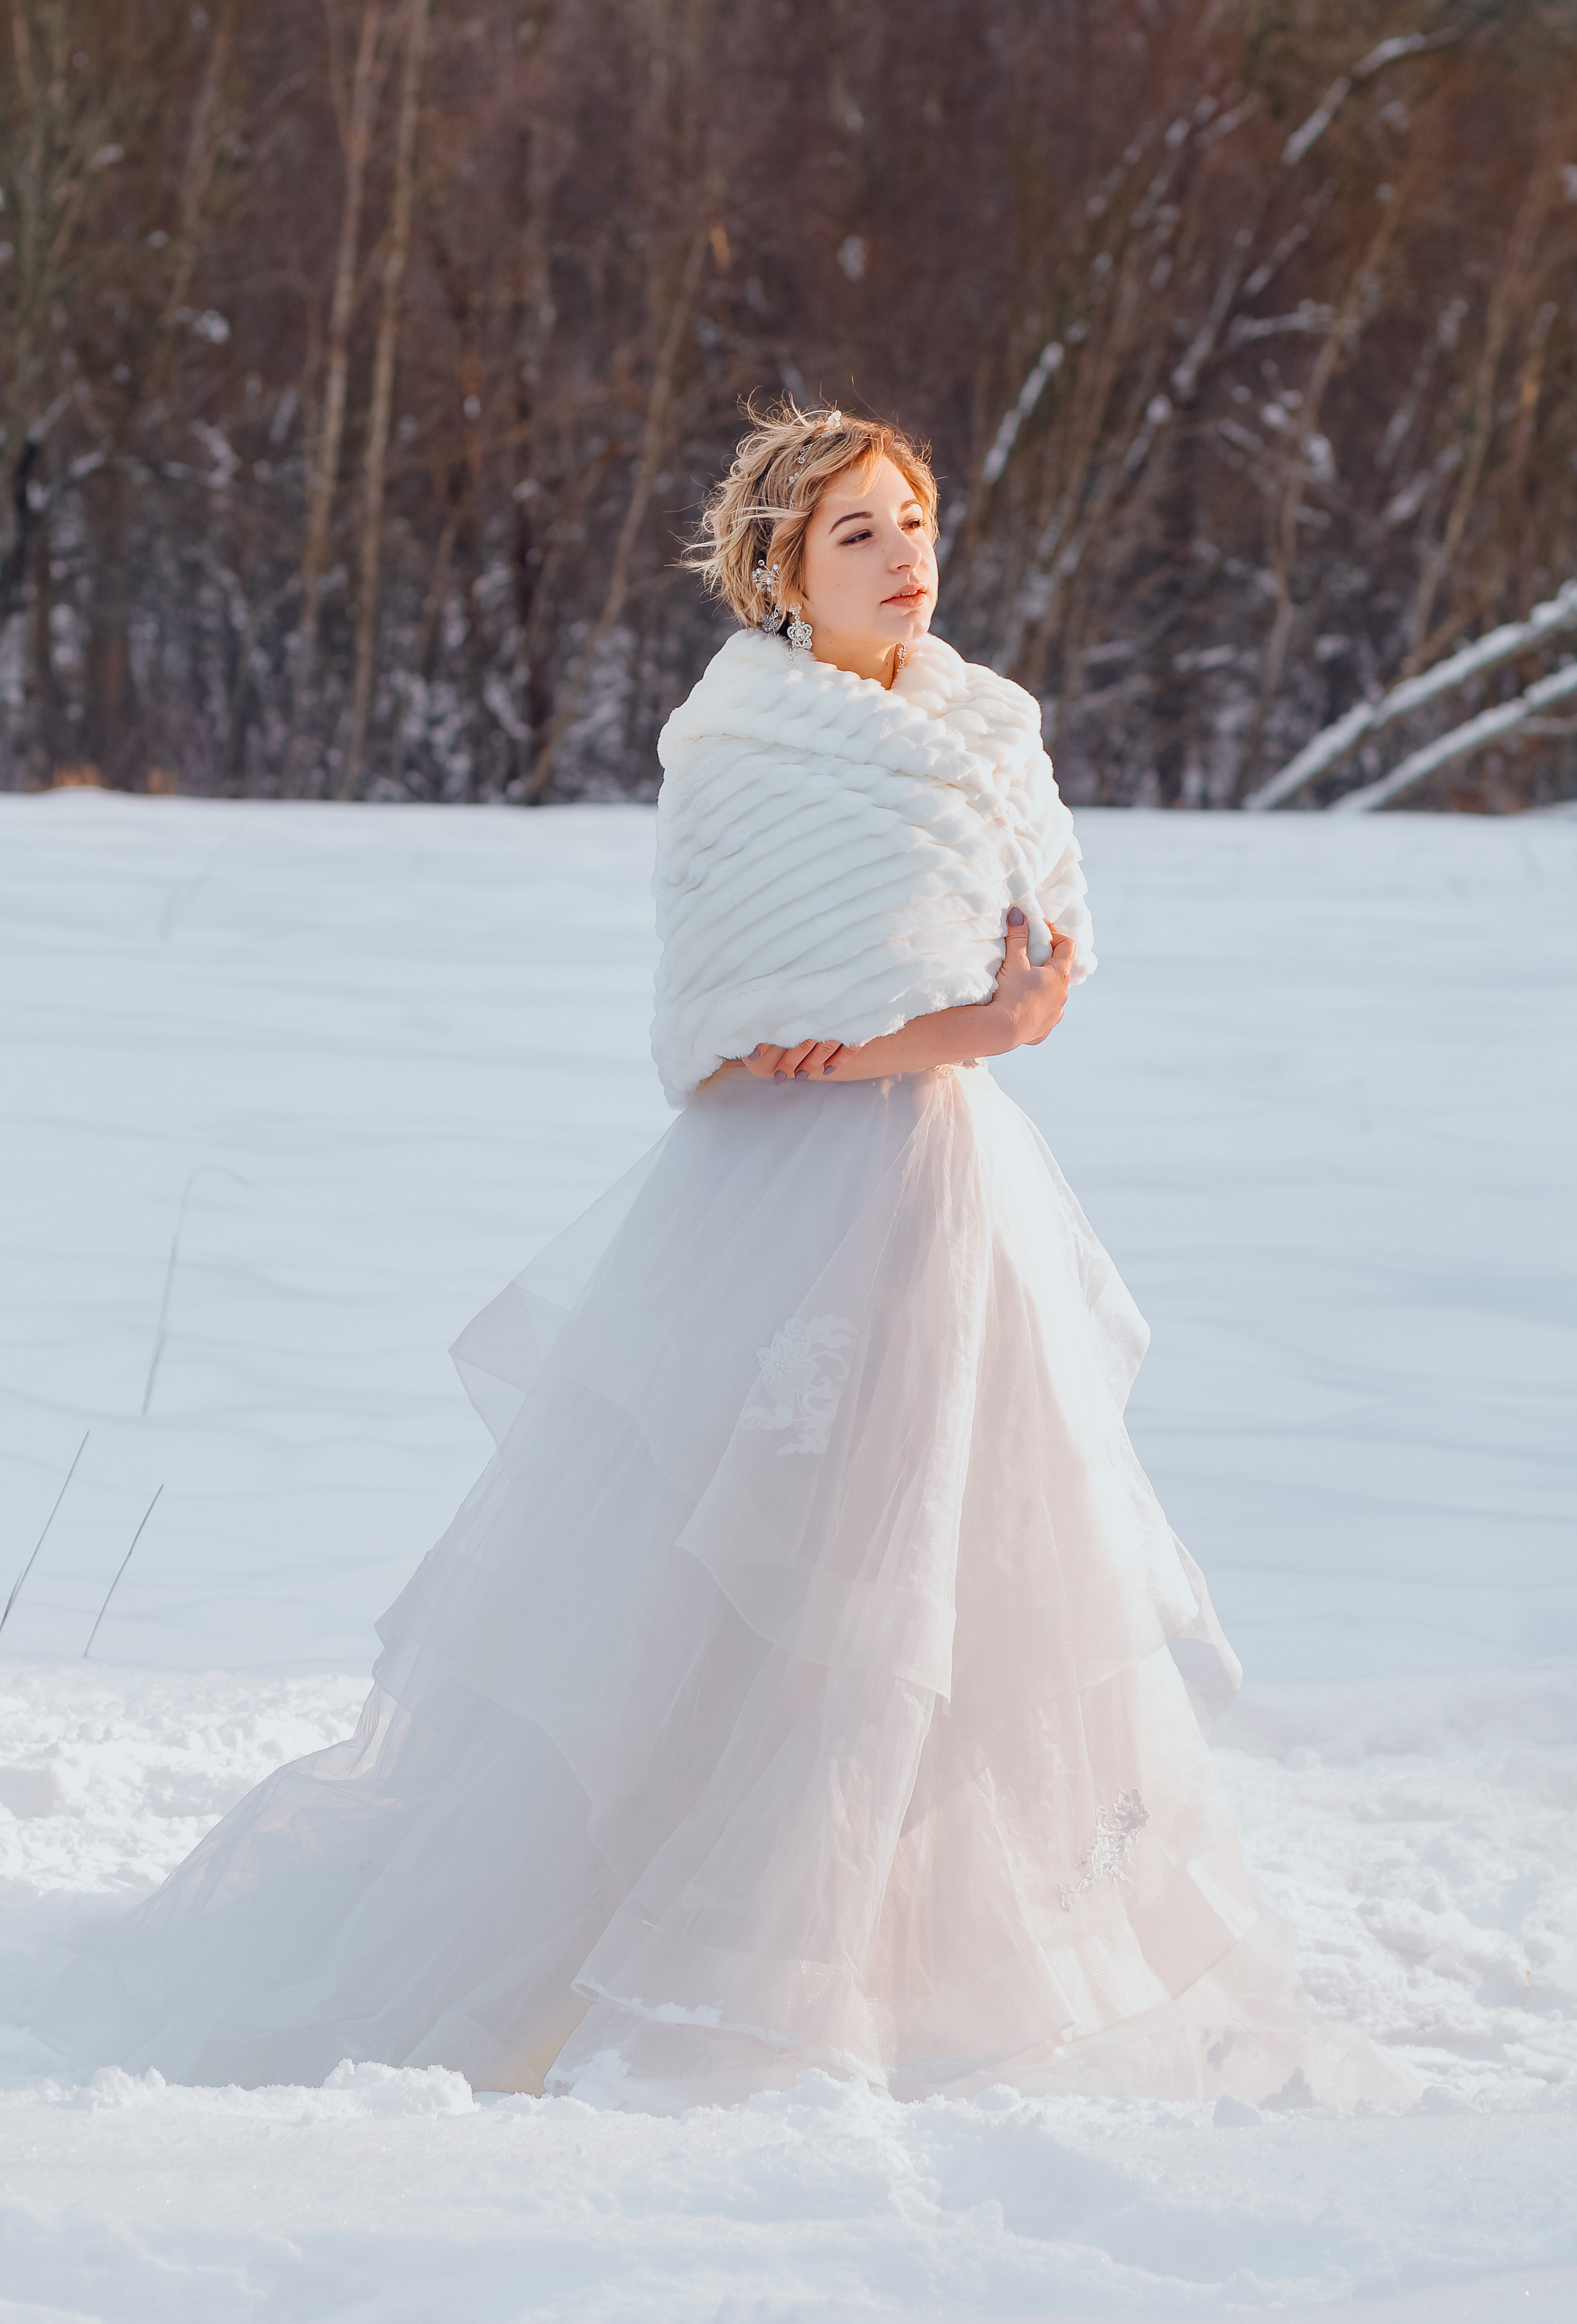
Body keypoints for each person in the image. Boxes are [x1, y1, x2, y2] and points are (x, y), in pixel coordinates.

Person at [53, 402, 1414, 2111]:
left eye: (916, 517)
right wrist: (945, 1025)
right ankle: (671, 1940)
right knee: (751, 1575)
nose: (905, 553)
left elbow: (1045, 960)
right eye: (857, 531)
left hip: (957, 1187)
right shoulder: (747, 748)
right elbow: (734, 1034)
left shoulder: (988, 725)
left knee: (948, 1569)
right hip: (789, 1206)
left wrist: (1012, 1011)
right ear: (781, 569)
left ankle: (895, 1938)